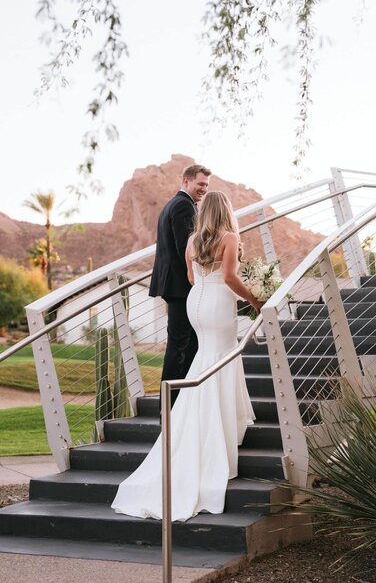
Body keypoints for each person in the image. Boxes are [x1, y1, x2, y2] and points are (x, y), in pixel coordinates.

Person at [111, 191, 263, 522]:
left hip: (196, 303)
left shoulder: (193, 240)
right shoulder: (230, 237)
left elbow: (193, 278)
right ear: (226, 211)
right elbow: (230, 277)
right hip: (219, 303)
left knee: (205, 357)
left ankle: (199, 419)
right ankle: (218, 433)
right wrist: (255, 300)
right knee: (222, 356)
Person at [149, 164, 211, 407]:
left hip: (174, 286)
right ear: (186, 181)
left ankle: (182, 399)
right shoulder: (184, 206)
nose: (203, 189)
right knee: (180, 345)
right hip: (181, 287)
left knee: (187, 342)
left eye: (206, 185)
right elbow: (187, 249)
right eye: (200, 184)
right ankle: (172, 403)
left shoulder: (172, 205)